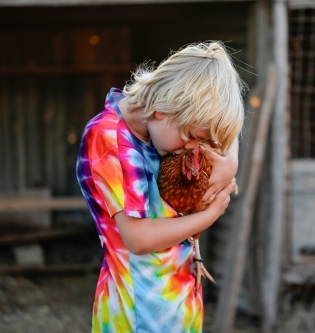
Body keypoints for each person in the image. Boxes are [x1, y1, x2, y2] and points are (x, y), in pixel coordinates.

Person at [76, 41, 245, 333]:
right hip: (138, 312)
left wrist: (230, 161)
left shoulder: (163, 126)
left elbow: (226, 134)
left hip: (178, 304)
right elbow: (138, 239)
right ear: (159, 112)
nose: (196, 148)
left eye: (202, 142)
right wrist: (211, 213)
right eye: (192, 137)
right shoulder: (111, 140)